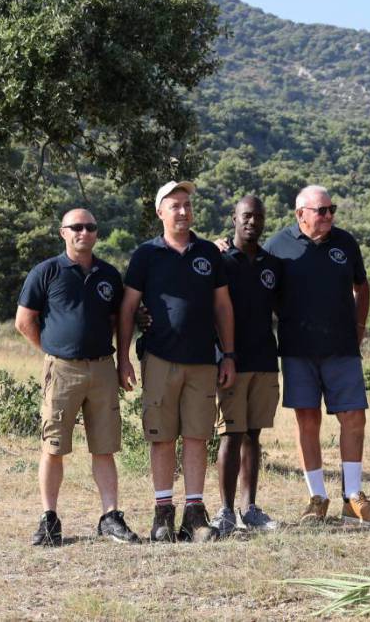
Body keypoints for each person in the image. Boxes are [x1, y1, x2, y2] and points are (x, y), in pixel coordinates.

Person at [262, 185, 370, 526]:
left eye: (331, 209)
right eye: (321, 210)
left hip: (342, 349)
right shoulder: (276, 247)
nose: (329, 215)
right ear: (300, 214)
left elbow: (362, 287)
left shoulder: (345, 242)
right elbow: (261, 291)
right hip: (297, 350)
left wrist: (360, 325)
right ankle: (317, 498)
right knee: (307, 421)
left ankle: (353, 499)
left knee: (354, 418)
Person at [117, 180, 237, 543]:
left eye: (187, 204)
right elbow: (127, 308)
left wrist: (228, 354)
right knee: (162, 437)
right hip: (159, 358)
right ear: (160, 212)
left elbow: (223, 306)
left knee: (198, 436)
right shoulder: (145, 255)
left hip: (203, 360)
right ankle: (163, 514)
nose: (183, 211)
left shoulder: (208, 253)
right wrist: (122, 357)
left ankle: (195, 516)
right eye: (175, 205)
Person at [15, 208, 140, 546]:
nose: (84, 232)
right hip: (63, 369)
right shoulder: (46, 272)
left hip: (102, 368)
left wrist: (123, 360)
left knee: (105, 447)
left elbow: (119, 321)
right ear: (63, 233)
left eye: (91, 227)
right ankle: (49, 519)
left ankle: (110, 517)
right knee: (53, 446)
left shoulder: (109, 275)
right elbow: (24, 320)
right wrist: (53, 349)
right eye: (77, 228)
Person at [210, 196, 284, 535]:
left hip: (265, 360)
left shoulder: (272, 264)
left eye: (258, 216)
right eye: (246, 216)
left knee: (254, 434)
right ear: (235, 218)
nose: (252, 221)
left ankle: (249, 508)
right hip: (231, 362)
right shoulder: (221, 259)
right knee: (231, 433)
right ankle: (225, 510)